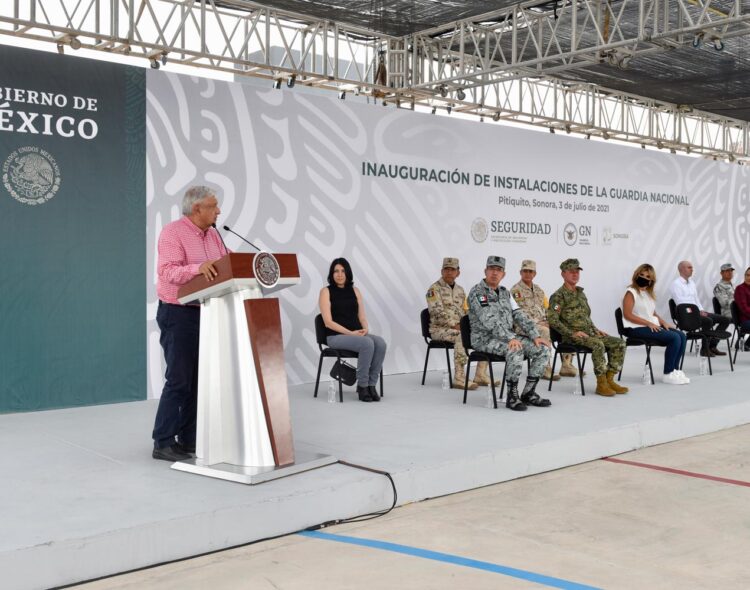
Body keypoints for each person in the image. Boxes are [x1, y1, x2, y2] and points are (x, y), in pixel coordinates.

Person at [153, 185, 229, 461]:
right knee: (179, 379)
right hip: (178, 313)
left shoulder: (214, 237)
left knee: (200, 381)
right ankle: (162, 440)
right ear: (197, 208)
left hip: (207, 312)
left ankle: (187, 440)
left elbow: (228, 264)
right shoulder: (173, 233)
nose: (218, 210)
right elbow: (167, 271)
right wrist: (197, 268)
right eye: (213, 205)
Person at [468, 256, 551, 411]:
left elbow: (519, 314)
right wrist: (511, 338)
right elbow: (488, 319)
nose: (495, 273)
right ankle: (512, 396)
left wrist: (535, 335)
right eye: (492, 269)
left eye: (498, 270)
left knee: (543, 350)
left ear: (503, 274)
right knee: (515, 349)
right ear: (485, 271)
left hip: (506, 337)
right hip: (484, 339)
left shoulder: (505, 293)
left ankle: (528, 393)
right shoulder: (478, 293)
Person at [548, 258, 628, 396]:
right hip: (571, 337)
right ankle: (601, 383)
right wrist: (572, 333)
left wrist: (595, 329)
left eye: (577, 272)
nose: (575, 274)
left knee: (619, 343)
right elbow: (553, 320)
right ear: (563, 274)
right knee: (598, 345)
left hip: (588, 334)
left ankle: (610, 379)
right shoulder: (558, 296)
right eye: (571, 271)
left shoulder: (581, 293)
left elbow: (586, 317)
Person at [319, 258, 387, 402]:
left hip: (357, 334)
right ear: (331, 274)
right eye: (336, 271)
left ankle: (371, 385)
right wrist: (351, 333)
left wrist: (365, 328)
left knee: (380, 343)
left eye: (343, 271)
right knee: (367, 343)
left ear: (348, 273)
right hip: (335, 336)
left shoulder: (355, 291)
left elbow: (362, 316)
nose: (339, 274)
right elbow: (328, 322)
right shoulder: (326, 291)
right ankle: (362, 386)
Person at [510, 259, 578, 381]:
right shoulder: (515, 291)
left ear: (534, 274)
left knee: (566, 327)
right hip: (524, 326)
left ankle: (566, 364)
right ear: (520, 272)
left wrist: (550, 320)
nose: (528, 274)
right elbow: (518, 314)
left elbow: (546, 309)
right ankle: (544, 368)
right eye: (525, 271)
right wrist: (538, 322)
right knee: (545, 331)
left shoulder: (539, 290)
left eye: (531, 271)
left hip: (542, 323)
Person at [622, 264, 688, 385]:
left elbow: (652, 313)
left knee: (681, 335)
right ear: (636, 275)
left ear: (651, 280)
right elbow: (627, 314)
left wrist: (664, 323)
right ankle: (667, 373)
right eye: (641, 275)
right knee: (674, 338)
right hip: (635, 328)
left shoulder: (647, 294)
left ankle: (675, 370)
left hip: (648, 326)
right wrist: (648, 323)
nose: (643, 278)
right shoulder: (631, 292)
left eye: (647, 276)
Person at [426, 257, 481, 390]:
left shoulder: (460, 290)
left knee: (482, 334)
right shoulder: (434, 289)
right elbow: (436, 313)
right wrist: (455, 325)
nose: (449, 272)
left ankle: (480, 374)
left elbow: (466, 311)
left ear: (458, 272)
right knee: (461, 337)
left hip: (458, 328)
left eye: (452, 269)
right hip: (439, 329)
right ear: (442, 271)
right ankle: (459, 377)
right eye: (446, 269)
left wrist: (471, 325)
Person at [670, 260, 730, 357]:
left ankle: (712, 346)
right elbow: (681, 304)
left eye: (692, 267)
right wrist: (696, 312)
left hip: (697, 312)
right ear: (681, 269)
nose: (692, 269)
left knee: (725, 320)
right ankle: (704, 349)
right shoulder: (676, 284)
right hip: (686, 314)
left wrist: (701, 310)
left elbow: (696, 299)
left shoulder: (692, 283)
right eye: (689, 267)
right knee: (708, 321)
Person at [734, 267, 750, 351]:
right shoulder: (740, 289)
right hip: (744, 320)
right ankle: (745, 344)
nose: (748, 277)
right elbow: (744, 308)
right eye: (747, 275)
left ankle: (743, 343)